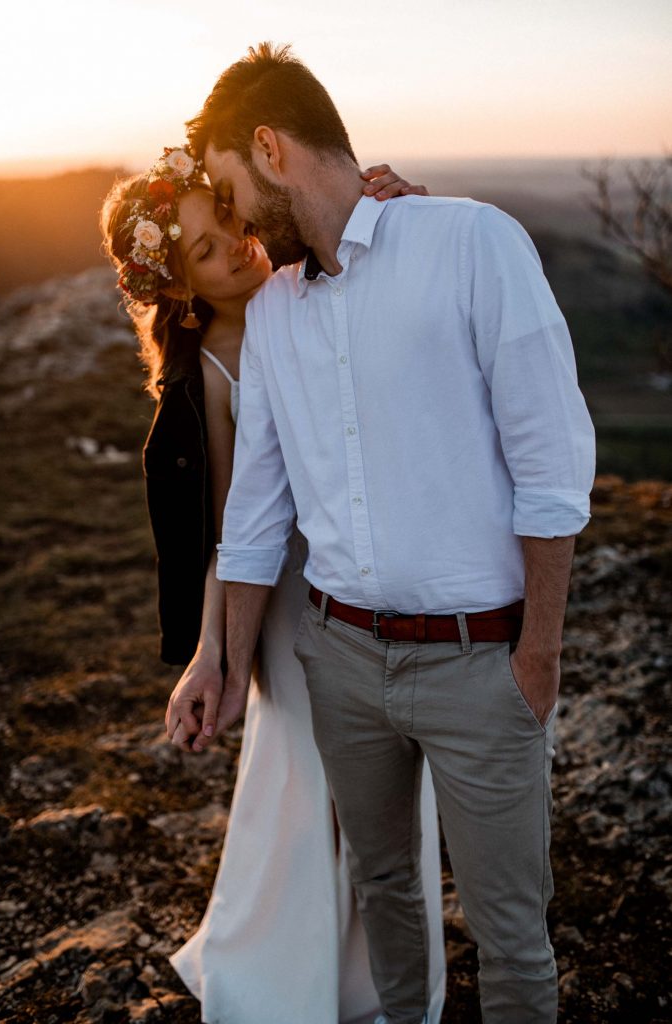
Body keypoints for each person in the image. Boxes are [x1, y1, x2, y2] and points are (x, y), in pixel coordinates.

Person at [184, 43, 597, 1024]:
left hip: (479, 663)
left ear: (270, 147)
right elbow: (254, 514)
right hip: (342, 663)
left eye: (229, 188)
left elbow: (551, 471)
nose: (232, 220)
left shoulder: (470, 243)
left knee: (509, 935)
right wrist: (224, 661)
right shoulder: (277, 310)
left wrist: (533, 657)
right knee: (384, 902)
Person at [100, 147, 446, 1024]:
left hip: (383, 569)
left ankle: (381, 969)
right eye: (209, 251)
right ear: (180, 292)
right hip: (288, 600)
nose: (239, 248)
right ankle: (290, 974)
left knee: (392, 778)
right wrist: (216, 655)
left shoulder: (310, 279)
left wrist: (398, 210)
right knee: (309, 782)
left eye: (230, 222)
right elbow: (231, 535)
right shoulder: (214, 367)